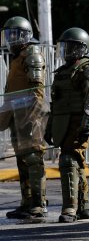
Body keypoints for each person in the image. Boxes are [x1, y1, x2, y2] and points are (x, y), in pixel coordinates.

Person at [43, 27, 89, 223]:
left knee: (67, 160)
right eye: (65, 48)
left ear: (82, 48)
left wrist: (87, 126)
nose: (67, 52)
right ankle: (83, 206)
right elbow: (55, 104)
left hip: (79, 122)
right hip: (63, 123)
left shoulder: (86, 69)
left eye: (71, 48)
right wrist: (49, 128)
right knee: (76, 162)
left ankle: (70, 208)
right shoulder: (62, 72)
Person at [0, 16, 48, 219]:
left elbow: (38, 91)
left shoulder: (32, 54)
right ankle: (26, 202)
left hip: (29, 117)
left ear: (26, 35)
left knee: (33, 159)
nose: (11, 39)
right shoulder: (17, 57)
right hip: (16, 117)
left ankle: (39, 203)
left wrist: (32, 117)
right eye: (8, 35)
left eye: (15, 34)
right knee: (22, 160)